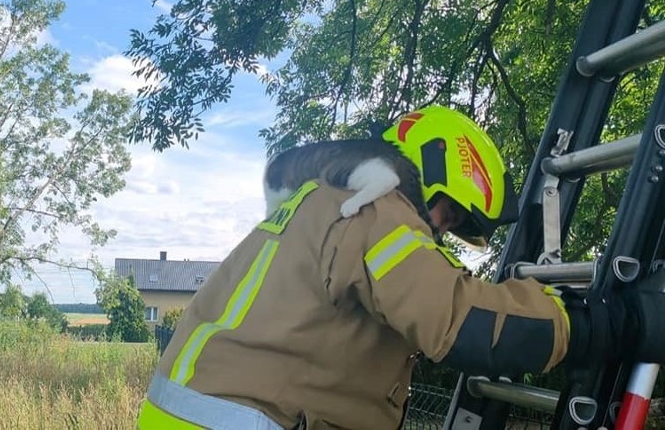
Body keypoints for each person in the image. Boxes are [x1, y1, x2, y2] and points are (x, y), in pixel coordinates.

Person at [137, 106, 665, 430]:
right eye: (448, 211)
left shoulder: (317, 200)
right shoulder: (378, 209)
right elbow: (462, 323)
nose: (438, 231)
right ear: (426, 173)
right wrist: (611, 323)